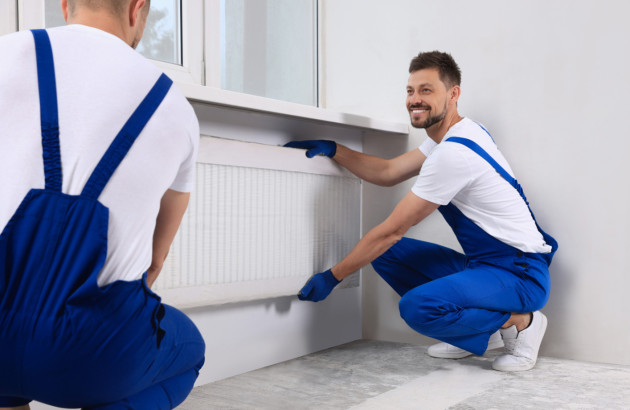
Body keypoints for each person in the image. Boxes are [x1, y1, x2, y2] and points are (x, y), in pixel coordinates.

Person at [285, 51, 558, 372]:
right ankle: (484, 329)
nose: (415, 99)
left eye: (426, 90)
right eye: (410, 90)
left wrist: (333, 276)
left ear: (453, 94)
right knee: (387, 253)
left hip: (520, 276)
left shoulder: (453, 155)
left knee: (417, 307)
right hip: (487, 267)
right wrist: (335, 149)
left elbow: (391, 230)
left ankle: (520, 322)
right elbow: (388, 172)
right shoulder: (459, 133)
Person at [0, 1, 204, 408]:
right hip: (91, 359)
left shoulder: (6, 53)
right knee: (188, 351)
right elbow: (154, 262)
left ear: (65, 6)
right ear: (136, 10)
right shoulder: (175, 107)